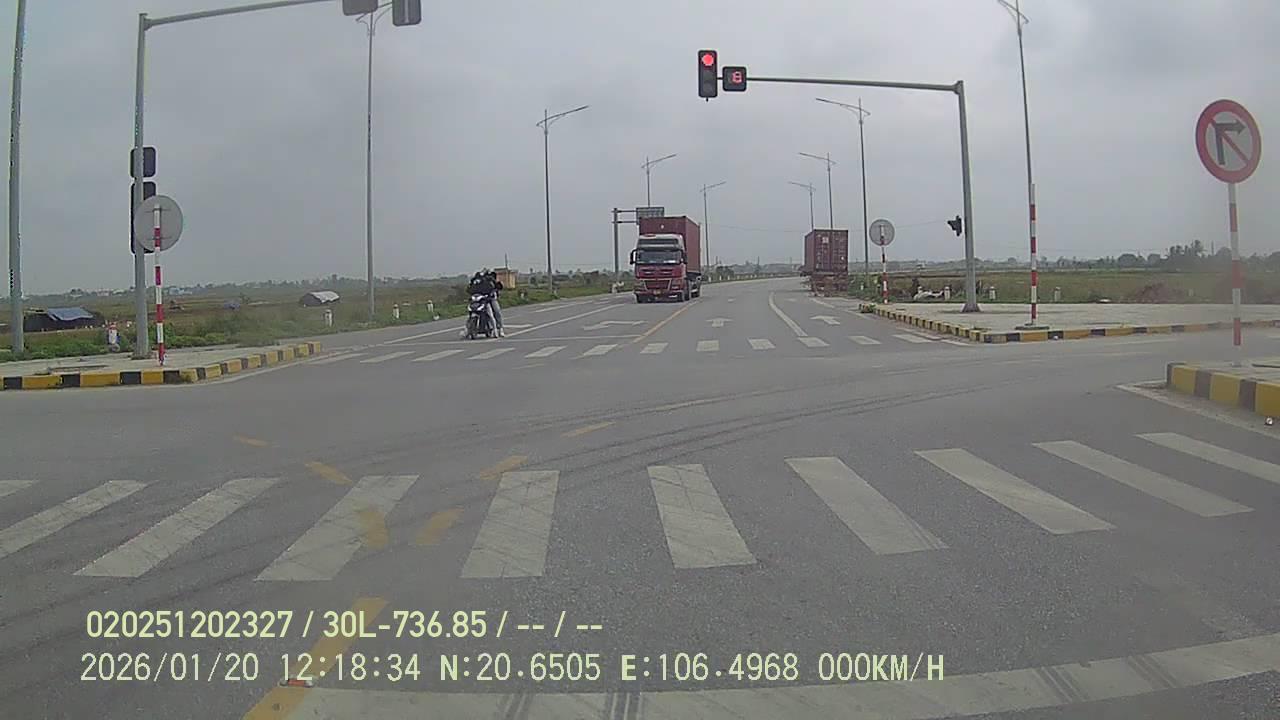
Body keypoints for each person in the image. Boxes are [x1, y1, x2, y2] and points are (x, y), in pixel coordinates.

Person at [485, 269, 505, 337]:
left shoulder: (493, 282)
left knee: (497, 311)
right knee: (487, 314)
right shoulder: (483, 283)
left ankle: (500, 328)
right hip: (484, 300)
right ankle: (490, 329)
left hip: (492, 299)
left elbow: (499, 286)